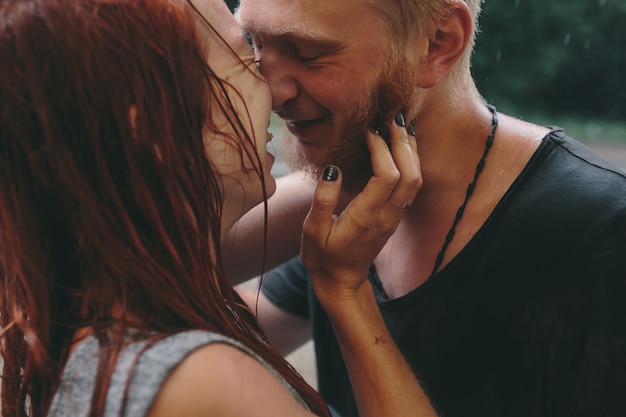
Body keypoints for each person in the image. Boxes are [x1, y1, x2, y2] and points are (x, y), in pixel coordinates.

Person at [0, 0, 435, 416]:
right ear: (154, 124)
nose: (275, 91)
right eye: (248, 52)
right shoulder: (200, 383)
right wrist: (343, 288)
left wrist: (354, 168)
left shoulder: (83, 313)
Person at [227, 0, 626, 416]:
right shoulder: (356, 195)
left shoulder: (603, 236)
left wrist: (344, 290)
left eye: (308, 52)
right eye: (254, 43)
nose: (270, 91)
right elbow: (196, 305)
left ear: (438, 44)